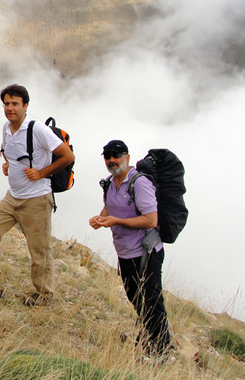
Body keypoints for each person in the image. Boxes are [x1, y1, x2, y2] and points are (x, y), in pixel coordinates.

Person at [0, 84, 74, 304]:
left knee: (39, 251)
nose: (10, 108)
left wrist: (41, 173)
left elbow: (67, 157)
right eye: (7, 104)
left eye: (15, 104)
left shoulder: (38, 129)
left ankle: (43, 294)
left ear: (25, 106)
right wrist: (7, 165)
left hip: (37, 199)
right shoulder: (6, 128)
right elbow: (8, 151)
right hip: (13, 197)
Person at [89, 140, 173, 358]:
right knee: (136, 299)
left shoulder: (139, 183)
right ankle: (150, 335)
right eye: (107, 156)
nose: (111, 160)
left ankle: (160, 350)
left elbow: (151, 220)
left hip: (146, 252)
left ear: (127, 157)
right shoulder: (109, 183)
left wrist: (116, 221)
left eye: (116, 155)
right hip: (125, 253)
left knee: (152, 301)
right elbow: (109, 207)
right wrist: (101, 218)